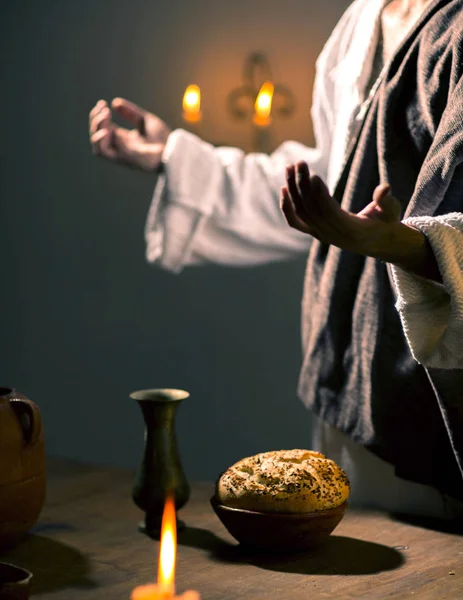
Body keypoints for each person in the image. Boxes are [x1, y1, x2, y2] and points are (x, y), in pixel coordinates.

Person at [89, 0, 463, 520]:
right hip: (344, 387)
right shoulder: (365, 17)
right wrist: (171, 156)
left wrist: (402, 245)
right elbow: (328, 187)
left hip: (430, 411)